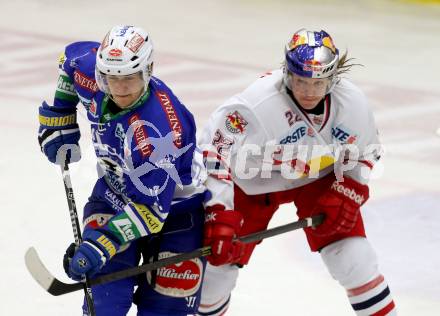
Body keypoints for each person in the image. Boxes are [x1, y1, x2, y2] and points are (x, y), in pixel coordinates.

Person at [197, 28, 396, 315]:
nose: (309, 91)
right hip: (252, 184)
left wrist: (349, 190)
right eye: (301, 81)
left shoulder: (352, 103)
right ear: (288, 73)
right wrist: (218, 210)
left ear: (333, 77)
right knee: (214, 279)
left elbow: (368, 150)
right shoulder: (256, 104)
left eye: (319, 82)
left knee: (354, 260)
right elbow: (213, 151)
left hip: (318, 179)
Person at [37, 25, 208, 316]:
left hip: (177, 213)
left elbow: (152, 214)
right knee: (104, 303)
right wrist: (61, 115)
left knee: (164, 309)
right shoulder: (93, 72)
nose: (119, 88)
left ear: (148, 70)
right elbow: (70, 62)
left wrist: (100, 244)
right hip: (114, 193)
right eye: (111, 79)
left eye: (129, 78)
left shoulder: (158, 132)